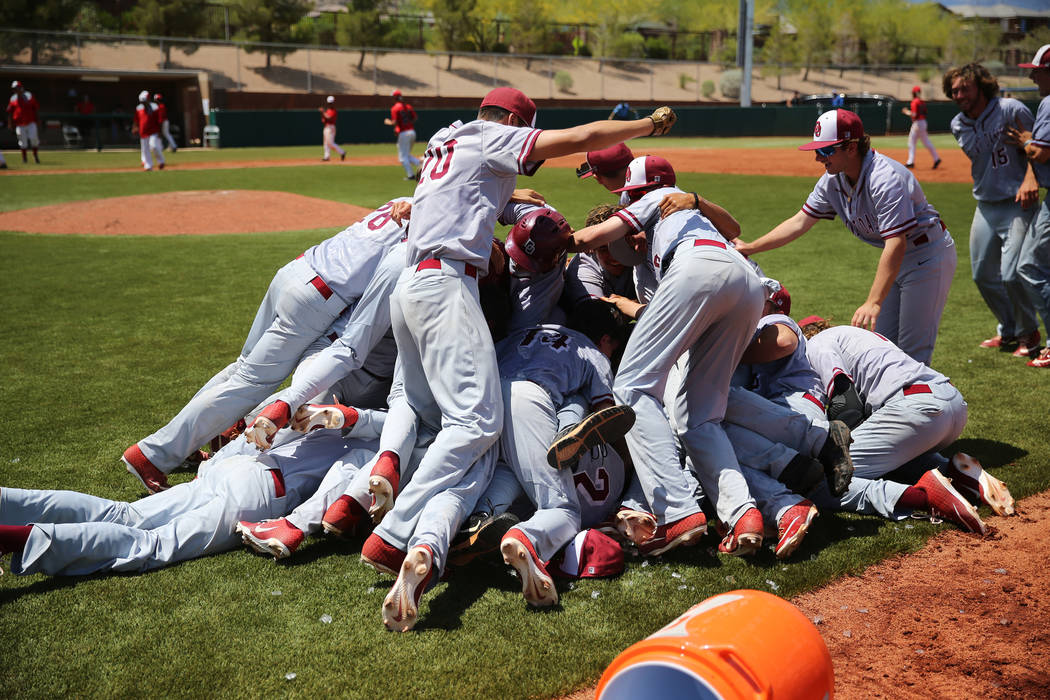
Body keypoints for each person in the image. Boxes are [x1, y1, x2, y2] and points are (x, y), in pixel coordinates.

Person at [369, 87, 675, 631]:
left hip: (409, 286)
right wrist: (646, 126)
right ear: (511, 120)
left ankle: (421, 532)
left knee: (438, 423)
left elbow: (467, 197)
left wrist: (512, 199)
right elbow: (579, 138)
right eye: (523, 134)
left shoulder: (446, 137)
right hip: (446, 286)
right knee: (479, 424)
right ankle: (395, 531)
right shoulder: (492, 136)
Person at [121, 199, 411, 492]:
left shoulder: (407, 201)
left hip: (296, 271)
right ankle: (153, 455)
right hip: (319, 298)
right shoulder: (429, 222)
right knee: (250, 380)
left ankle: (186, 444)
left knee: (241, 368)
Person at [569, 155, 766, 557]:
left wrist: (552, 241)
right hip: (746, 282)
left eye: (628, 197)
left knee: (632, 386)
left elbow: (593, 237)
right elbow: (735, 231)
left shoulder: (657, 197)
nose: (625, 204)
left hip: (697, 267)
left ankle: (676, 511)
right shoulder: (687, 214)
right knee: (699, 414)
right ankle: (742, 513)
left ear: (637, 191)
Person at [0, 421, 385, 577]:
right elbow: (345, 486)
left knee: (124, 513)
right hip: (262, 491)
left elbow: (265, 424)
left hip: (236, 464)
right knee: (152, 545)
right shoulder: (390, 439)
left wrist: (218, 455)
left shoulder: (349, 410)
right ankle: (13, 539)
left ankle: (8, 501)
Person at [734, 109, 956, 366]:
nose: (818, 157)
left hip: (928, 256)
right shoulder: (833, 180)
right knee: (883, 344)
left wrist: (873, 301)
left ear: (851, 147)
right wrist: (751, 247)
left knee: (913, 352)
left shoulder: (884, 178)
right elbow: (799, 222)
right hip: (898, 258)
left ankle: (925, 403)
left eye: (826, 150)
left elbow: (897, 242)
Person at [799, 316, 1014, 533]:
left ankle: (925, 497)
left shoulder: (816, 344)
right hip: (950, 403)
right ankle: (956, 472)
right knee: (890, 457)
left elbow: (847, 405)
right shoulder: (858, 336)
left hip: (916, 411)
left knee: (821, 479)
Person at [944, 63, 1040, 356]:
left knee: (1011, 274)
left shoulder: (1011, 109)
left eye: (965, 88)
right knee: (982, 275)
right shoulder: (958, 124)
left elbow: (1041, 149)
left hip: (1017, 203)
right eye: (955, 90)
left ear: (981, 85)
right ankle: (1009, 329)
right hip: (985, 204)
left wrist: (1030, 178)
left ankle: (1030, 333)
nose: (959, 94)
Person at [1006, 45, 1050, 369]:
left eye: (1037, 70)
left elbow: (1040, 153)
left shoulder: (1048, 102)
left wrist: (1025, 141)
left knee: (1029, 267)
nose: (1032, 75)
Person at [385, 89, 421, 180]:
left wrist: (387, 122)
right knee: (406, 155)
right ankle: (421, 165)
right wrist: (407, 124)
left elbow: (394, 122)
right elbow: (415, 118)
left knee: (402, 157)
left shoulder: (395, 108)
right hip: (412, 132)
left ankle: (411, 175)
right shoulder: (407, 106)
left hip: (404, 133)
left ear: (395, 98)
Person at [902, 86, 941, 169]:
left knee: (911, 142)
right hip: (923, 122)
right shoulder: (922, 102)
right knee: (926, 142)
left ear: (914, 93)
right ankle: (936, 158)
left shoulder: (915, 102)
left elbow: (914, 114)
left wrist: (906, 112)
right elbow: (925, 112)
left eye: (913, 93)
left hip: (917, 123)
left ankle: (910, 162)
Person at [8, 80, 40, 164]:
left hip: (31, 122)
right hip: (19, 124)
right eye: (14, 89)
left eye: (17, 88)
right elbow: (10, 112)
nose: (16, 90)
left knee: (34, 139)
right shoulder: (13, 98)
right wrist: (10, 123)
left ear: (21, 87)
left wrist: (38, 120)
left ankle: (35, 156)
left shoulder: (28, 96)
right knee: (22, 142)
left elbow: (35, 108)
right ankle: (24, 158)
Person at [133, 90, 165, 172]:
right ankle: (148, 166)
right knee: (145, 149)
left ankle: (161, 161)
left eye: (144, 101)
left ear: (148, 99)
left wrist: (160, 131)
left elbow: (159, 120)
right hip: (143, 132)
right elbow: (136, 120)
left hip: (153, 131)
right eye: (141, 102)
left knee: (154, 146)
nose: (143, 103)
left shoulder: (154, 107)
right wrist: (135, 128)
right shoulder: (139, 108)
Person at [319, 95, 346, 162]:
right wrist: (323, 114)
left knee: (330, 143)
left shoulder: (333, 110)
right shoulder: (327, 110)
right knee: (325, 143)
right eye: (329, 102)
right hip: (326, 127)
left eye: (331, 102)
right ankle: (326, 157)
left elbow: (329, 118)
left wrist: (323, 112)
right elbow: (323, 120)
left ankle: (342, 152)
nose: (330, 104)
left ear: (333, 103)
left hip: (331, 127)